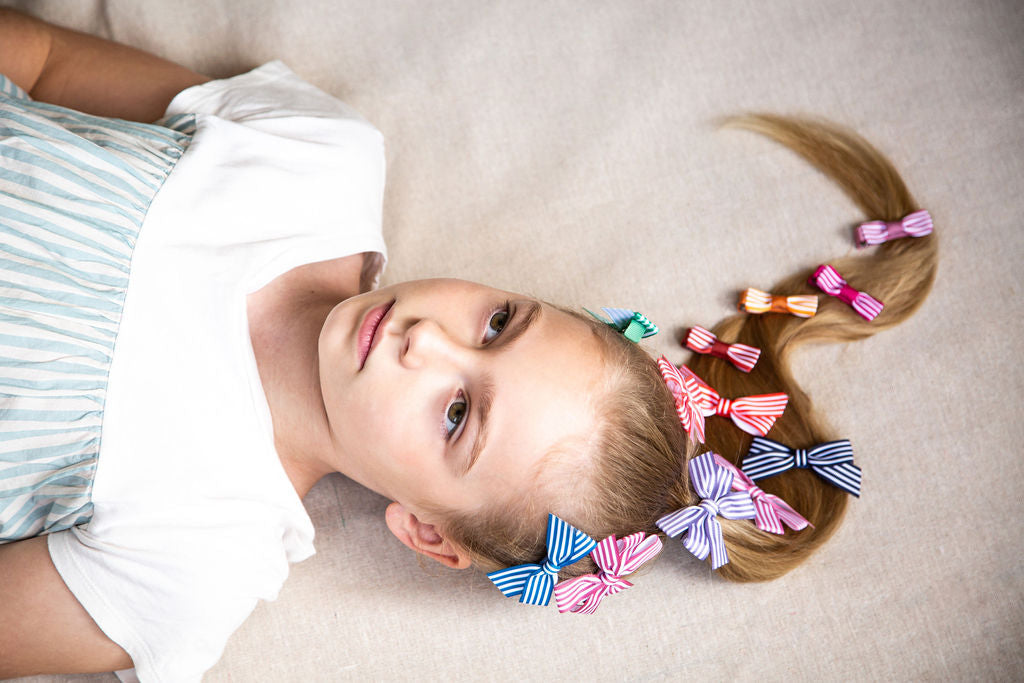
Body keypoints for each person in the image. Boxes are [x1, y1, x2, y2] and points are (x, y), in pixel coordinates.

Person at [0, 8, 937, 681]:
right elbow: (36, 59)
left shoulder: (187, 564)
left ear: (429, 533)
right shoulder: (318, 163)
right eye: (498, 324)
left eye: (457, 414)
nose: (423, 340)